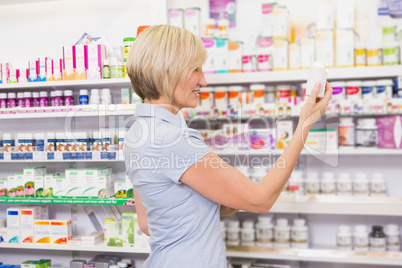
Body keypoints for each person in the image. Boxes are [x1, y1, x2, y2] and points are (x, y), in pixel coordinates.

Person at [124, 25, 332, 268]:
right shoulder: (174, 140)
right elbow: (260, 200)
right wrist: (305, 124)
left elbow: (148, 223)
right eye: (195, 69)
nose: (204, 80)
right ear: (168, 71)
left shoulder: (136, 133)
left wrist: (220, 198)